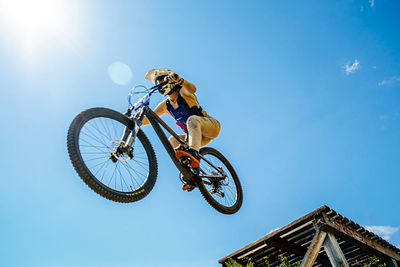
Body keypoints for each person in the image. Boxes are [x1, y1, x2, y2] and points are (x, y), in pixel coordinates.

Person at [140, 69, 221, 189]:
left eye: (162, 80)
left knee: (192, 120)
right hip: (195, 136)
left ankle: (193, 152)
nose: (161, 85)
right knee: (172, 140)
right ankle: (191, 174)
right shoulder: (165, 105)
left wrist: (180, 80)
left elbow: (193, 89)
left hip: (210, 126)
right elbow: (149, 119)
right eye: (158, 83)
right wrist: (132, 119)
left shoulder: (182, 92)